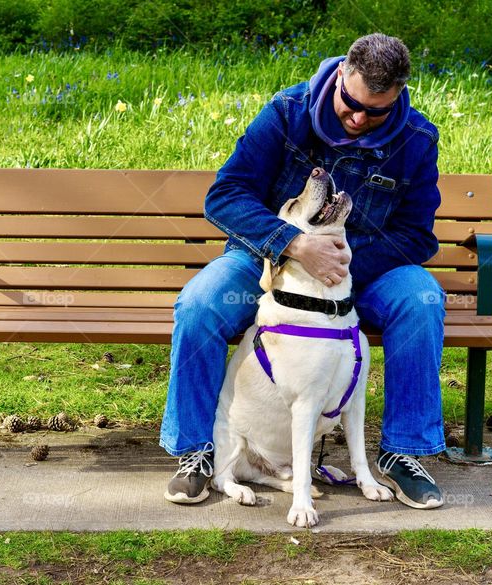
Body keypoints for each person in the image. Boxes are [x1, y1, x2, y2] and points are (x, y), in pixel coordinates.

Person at [160, 33, 447, 510]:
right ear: (339, 76)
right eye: (351, 104)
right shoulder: (286, 113)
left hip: (361, 268)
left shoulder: (416, 140)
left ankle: (404, 452)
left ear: (398, 94)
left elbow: (417, 236)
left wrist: (338, 261)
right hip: (265, 260)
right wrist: (293, 246)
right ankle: (198, 451)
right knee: (199, 305)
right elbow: (226, 195)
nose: (358, 118)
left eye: (374, 112)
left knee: (421, 302)